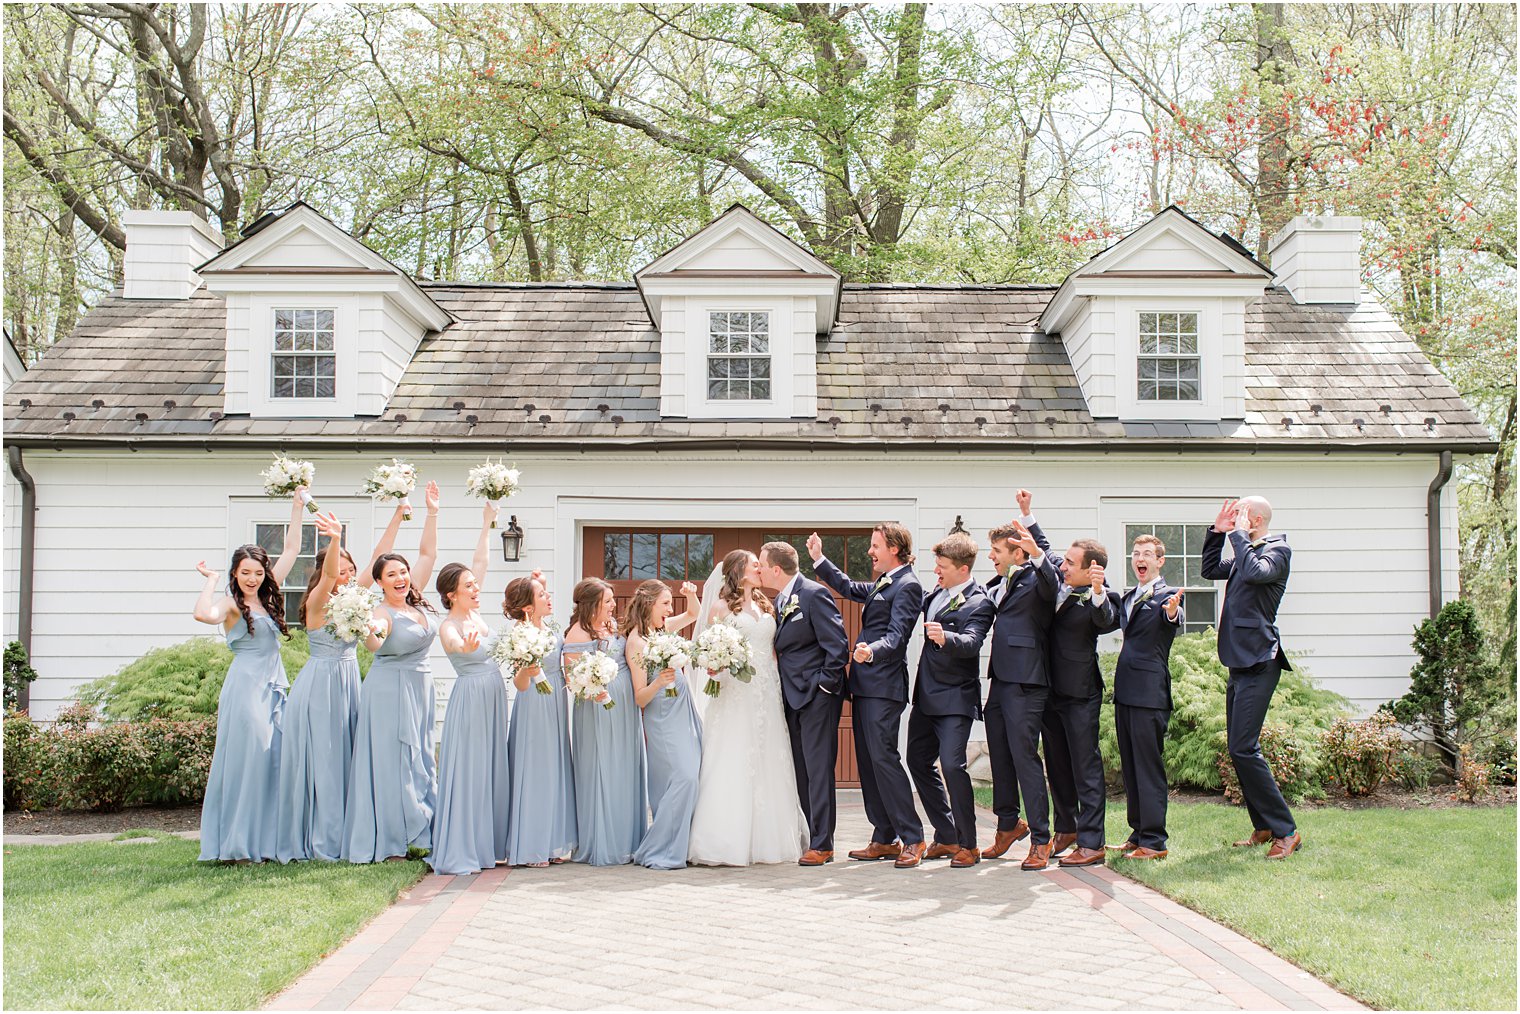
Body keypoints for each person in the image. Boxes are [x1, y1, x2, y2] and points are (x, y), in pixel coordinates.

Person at [193, 489, 307, 863]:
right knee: (248, 761)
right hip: (245, 689)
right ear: (235, 573)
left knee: (272, 760)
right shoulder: (230, 602)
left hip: (272, 687)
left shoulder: (267, 598)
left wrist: (297, 506)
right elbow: (202, 615)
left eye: (258, 573)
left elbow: (291, 549)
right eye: (246, 573)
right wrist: (210, 580)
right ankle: (237, 845)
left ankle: (266, 843)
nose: (253, 579)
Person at [810, 524, 927, 867]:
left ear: (894, 547)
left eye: (875, 545)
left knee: (884, 760)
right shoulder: (884, 582)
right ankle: (883, 836)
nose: (869, 552)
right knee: (868, 763)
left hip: (884, 687)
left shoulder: (908, 585)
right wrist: (819, 559)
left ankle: (913, 838)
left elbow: (898, 636)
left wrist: (871, 651)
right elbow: (847, 586)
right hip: (864, 686)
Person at [687, 550, 809, 866]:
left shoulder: (768, 605)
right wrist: (714, 666)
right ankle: (725, 840)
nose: (759, 567)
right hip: (734, 692)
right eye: (754, 563)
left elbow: (772, 650)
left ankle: (770, 840)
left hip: (768, 691)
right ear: (738, 570)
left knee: (770, 758)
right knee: (734, 755)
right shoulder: (720, 607)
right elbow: (707, 648)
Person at [343, 482, 441, 863]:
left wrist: (431, 512)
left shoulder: (416, 602)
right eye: (391, 574)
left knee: (420, 757)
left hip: (420, 686)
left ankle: (421, 827)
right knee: (393, 759)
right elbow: (373, 643)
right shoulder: (380, 612)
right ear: (380, 582)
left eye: (403, 572)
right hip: (390, 689)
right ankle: (393, 837)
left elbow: (428, 552)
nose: (400, 577)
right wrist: (372, 631)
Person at [1202, 496, 1300, 860]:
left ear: (1255, 519)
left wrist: (1239, 536)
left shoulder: (1278, 550)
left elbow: (1257, 572)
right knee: (1238, 748)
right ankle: (1263, 826)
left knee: (1245, 746)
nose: (1237, 519)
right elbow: (1211, 569)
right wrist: (1218, 532)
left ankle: (1286, 831)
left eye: (1242, 513)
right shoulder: (1247, 551)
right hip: (1238, 661)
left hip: (1262, 660)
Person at [429, 502, 513, 876]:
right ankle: (466, 845)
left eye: (475, 585)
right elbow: (451, 643)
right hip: (472, 698)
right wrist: (464, 646)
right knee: (472, 768)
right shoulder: (450, 622)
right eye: (468, 586)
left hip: (493, 696)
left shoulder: (475, 612)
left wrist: (486, 523)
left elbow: (481, 561)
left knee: (492, 765)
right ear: (452, 594)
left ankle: (491, 842)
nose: (476, 588)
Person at [906, 532, 994, 868]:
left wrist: (947, 637)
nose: (937, 572)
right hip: (926, 696)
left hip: (956, 697)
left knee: (953, 765)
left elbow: (972, 643)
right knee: (917, 761)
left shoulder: (980, 602)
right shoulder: (935, 595)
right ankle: (946, 834)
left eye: (942, 566)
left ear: (962, 568)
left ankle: (968, 845)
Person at [760, 541, 848, 867]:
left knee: (818, 769)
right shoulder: (780, 601)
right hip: (790, 698)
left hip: (816, 698)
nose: (759, 569)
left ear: (776, 569)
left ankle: (824, 843)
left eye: (762, 564)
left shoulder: (813, 594)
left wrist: (824, 687)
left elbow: (838, 646)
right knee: (801, 771)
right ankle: (812, 836)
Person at [981, 516, 1059, 870]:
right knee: (1000, 754)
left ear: (1017, 553)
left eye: (996, 551)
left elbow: (1053, 585)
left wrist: (1037, 553)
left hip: (1027, 681)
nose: (991, 557)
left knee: (1025, 758)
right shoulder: (1000, 581)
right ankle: (1008, 825)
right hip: (1000, 679)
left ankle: (1042, 839)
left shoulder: (1039, 577)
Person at [1044, 533, 1120, 869]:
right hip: (1049, 692)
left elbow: (1107, 620)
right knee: (1057, 765)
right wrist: (1027, 515)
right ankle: (1066, 828)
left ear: (1091, 570)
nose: (1063, 566)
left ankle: (1092, 842)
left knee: (1084, 768)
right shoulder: (1057, 589)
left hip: (1080, 694)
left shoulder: (1098, 598)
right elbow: (1043, 551)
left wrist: (1099, 592)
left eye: (1070, 563)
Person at [1110, 534, 1183, 860]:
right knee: (1130, 767)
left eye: (1147, 554)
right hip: (1125, 691)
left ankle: (1154, 842)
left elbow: (1174, 620)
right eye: (1136, 553)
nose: (1140, 558)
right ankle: (1137, 832)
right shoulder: (1129, 596)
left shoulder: (1168, 596)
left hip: (1149, 694)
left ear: (1159, 561)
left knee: (1148, 768)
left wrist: (1171, 614)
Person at [565, 578, 647, 866]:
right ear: (592, 604)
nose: (614, 605)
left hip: (623, 709)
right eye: (608, 601)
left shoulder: (612, 627)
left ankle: (627, 841)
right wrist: (593, 688)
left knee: (624, 767)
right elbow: (571, 679)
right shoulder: (577, 634)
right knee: (602, 768)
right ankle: (602, 842)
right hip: (596, 710)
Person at [626, 579, 702, 870]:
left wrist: (690, 595)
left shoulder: (661, 629)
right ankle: (658, 846)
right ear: (649, 604)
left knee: (694, 775)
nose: (670, 609)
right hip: (663, 718)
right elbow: (640, 698)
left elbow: (693, 614)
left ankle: (679, 844)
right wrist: (659, 681)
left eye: (671, 603)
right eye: (666, 604)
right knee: (684, 778)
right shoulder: (637, 641)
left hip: (684, 712)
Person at [502, 575, 576, 867]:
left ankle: (553, 842)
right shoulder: (520, 633)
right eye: (541, 594)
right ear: (527, 607)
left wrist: (538, 579)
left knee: (555, 767)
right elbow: (519, 684)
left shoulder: (551, 628)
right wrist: (529, 670)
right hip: (533, 702)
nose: (548, 597)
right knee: (535, 770)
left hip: (556, 700)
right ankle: (532, 846)